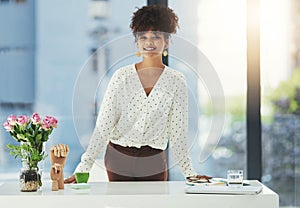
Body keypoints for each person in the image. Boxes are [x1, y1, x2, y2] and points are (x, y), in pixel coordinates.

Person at [65, 5, 211, 182]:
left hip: (154, 160)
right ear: (137, 42)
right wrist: (84, 168)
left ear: (166, 42)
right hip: (119, 158)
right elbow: (103, 126)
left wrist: (189, 173)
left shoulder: (176, 81)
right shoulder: (122, 77)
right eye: (143, 37)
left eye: (156, 37)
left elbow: (178, 132)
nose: (149, 42)